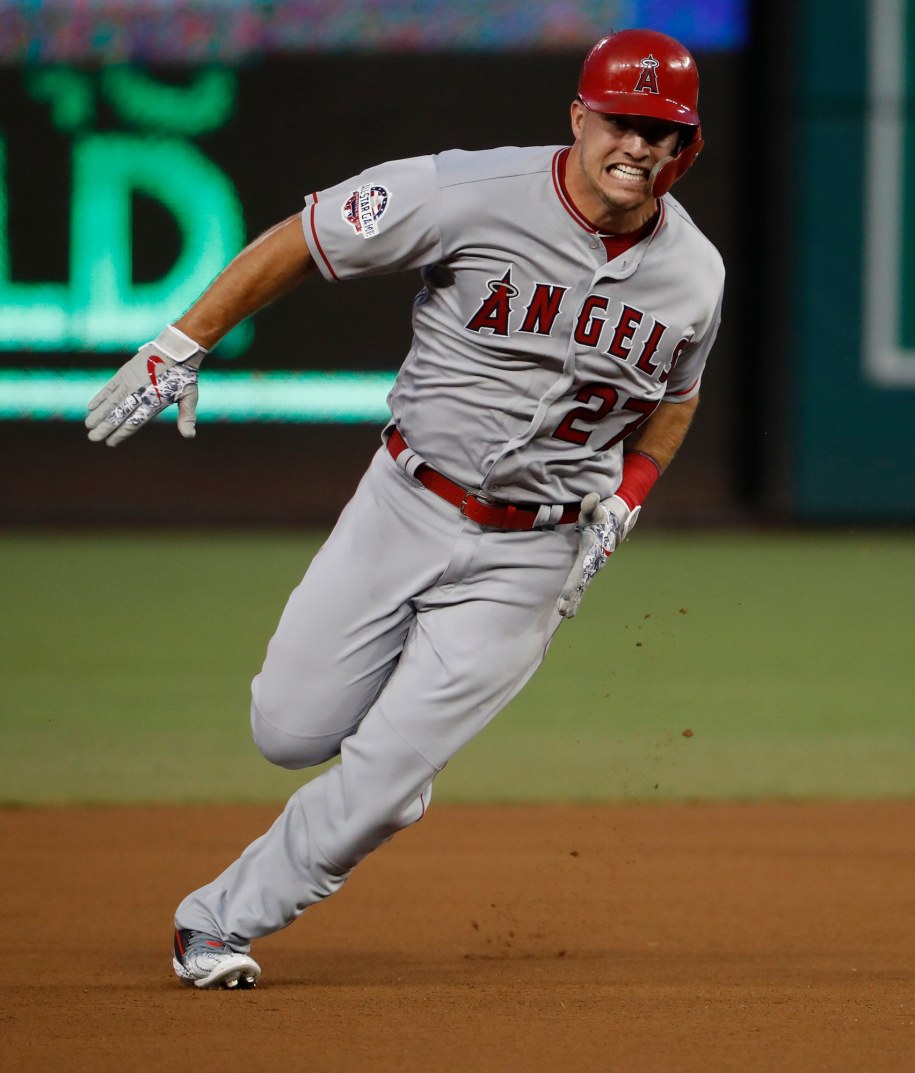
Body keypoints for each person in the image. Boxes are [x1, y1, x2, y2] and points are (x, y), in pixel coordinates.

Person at [86, 28, 724, 989]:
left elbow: (676, 395)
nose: (637, 146)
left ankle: (218, 921)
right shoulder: (464, 190)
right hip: (405, 503)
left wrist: (626, 499)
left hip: (534, 554)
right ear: (578, 117)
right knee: (288, 731)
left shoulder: (695, 274)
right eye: (620, 122)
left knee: (380, 784)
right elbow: (307, 237)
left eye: (660, 131)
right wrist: (184, 340)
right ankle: (389, 773)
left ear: (686, 147)